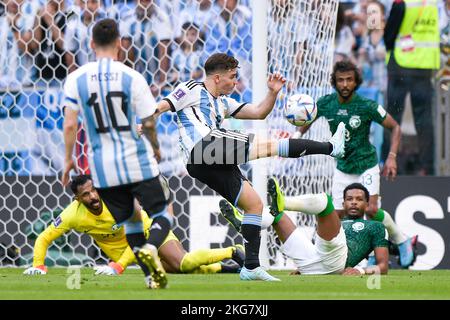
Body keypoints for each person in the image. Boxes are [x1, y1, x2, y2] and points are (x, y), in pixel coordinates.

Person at [154, 52, 347, 281]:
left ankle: (251, 267)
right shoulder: (192, 87)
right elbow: (163, 105)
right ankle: (330, 147)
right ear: (217, 77)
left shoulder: (223, 102)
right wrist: (144, 123)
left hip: (204, 162)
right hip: (203, 146)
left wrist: (273, 93)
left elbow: (258, 112)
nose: (236, 81)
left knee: (254, 205)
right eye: (233, 76)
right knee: (270, 147)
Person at [62, 18, 171, 289]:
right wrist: (156, 148)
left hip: (102, 168)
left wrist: (67, 159)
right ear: (120, 45)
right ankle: (152, 249)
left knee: (130, 219)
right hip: (136, 159)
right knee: (163, 213)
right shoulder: (131, 76)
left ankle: (149, 277)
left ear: (90, 44)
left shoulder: (76, 78)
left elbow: (70, 124)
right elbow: (148, 120)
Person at [299, 60, 416, 268]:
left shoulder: (367, 106)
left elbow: (395, 127)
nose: (345, 84)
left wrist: (391, 157)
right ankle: (326, 259)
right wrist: (293, 135)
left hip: (366, 164)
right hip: (343, 167)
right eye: (341, 80)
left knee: (371, 210)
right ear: (334, 82)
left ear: (356, 82)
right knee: (335, 215)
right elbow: (305, 124)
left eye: (349, 80)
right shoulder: (326, 103)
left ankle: (401, 240)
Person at [23, 175, 244, 276]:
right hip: (132, 252)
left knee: (184, 263)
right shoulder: (73, 215)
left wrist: (117, 266)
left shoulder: (116, 203)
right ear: (78, 199)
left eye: (94, 190)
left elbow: (136, 237)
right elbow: (43, 237)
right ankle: (226, 269)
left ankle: (233, 251)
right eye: (85, 194)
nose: (92, 196)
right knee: (177, 270)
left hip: (152, 232)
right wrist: (39, 265)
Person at [220, 179, 392, 275]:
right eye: (349, 199)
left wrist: (361, 271)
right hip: (311, 263)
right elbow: (317, 247)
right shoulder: (336, 222)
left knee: (324, 201)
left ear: (368, 203)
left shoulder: (375, 227)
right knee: (275, 215)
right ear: (344, 202)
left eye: (359, 199)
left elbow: (383, 267)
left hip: (337, 262)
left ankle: (284, 202)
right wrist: (305, 267)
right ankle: (246, 225)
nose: (354, 202)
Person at [382, 0, 440, 176]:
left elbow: (389, 36)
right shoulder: (433, 3)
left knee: (392, 117)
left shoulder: (402, 2)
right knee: (425, 121)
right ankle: (427, 168)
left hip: (401, 64)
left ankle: (388, 163)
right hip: (424, 66)